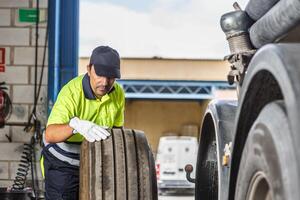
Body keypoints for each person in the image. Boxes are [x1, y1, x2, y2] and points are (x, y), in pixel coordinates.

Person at [40, 46, 125, 200]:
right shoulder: (71, 92)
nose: (105, 82)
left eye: (111, 77)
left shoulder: (118, 93)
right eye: (100, 74)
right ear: (89, 69)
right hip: (62, 163)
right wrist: (74, 125)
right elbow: (50, 134)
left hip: (94, 161)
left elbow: (118, 131)